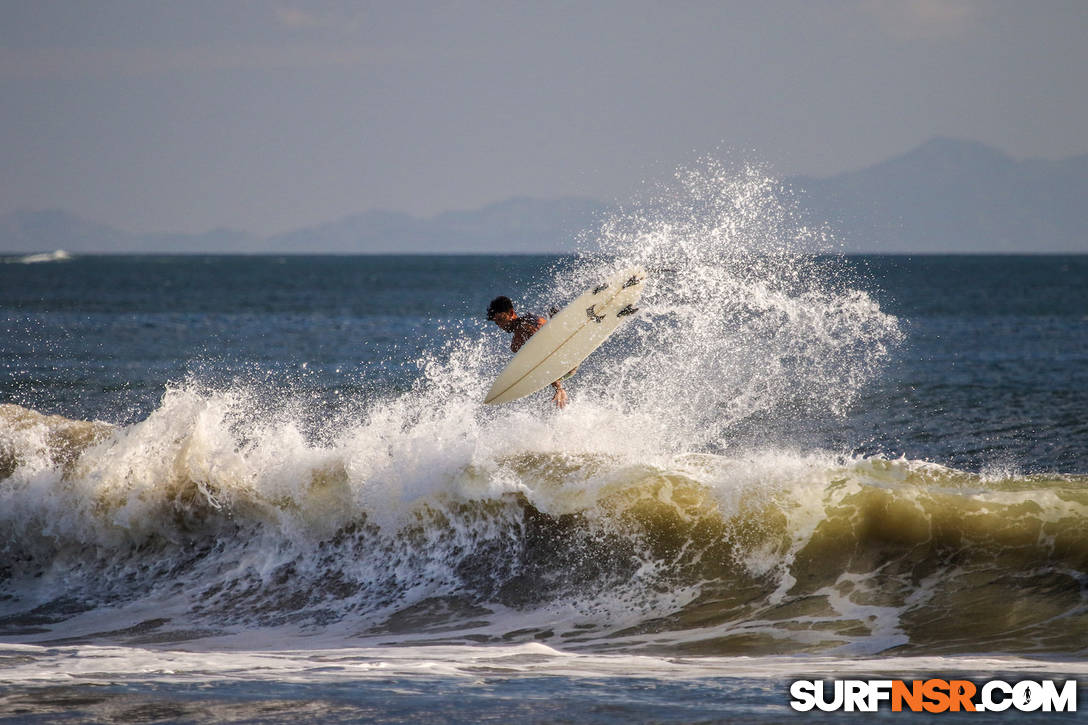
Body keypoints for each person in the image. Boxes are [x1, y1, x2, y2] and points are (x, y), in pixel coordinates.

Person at [487, 295, 570, 408]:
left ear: (511, 313)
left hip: (562, 365)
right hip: (562, 367)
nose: (501, 326)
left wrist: (558, 387)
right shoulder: (520, 335)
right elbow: (539, 359)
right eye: (497, 323)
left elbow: (543, 354)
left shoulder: (524, 328)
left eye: (501, 320)